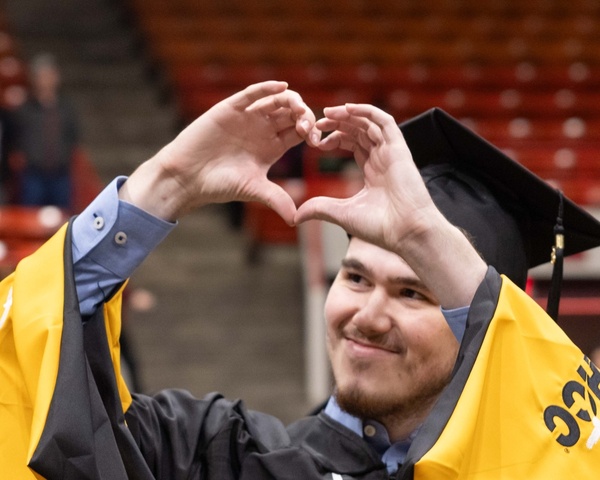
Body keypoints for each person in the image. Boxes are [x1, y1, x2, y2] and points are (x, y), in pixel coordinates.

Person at [1, 81, 600, 479]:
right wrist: (165, 186)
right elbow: (43, 397)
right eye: (356, 277)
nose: (367, 314)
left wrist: (429, 237)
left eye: (415, 290)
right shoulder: (216, 457)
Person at [9, 53, 80, 209]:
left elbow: (73, 136)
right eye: (42, 75)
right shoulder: (25, 109)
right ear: (34, 79)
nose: (46, 80)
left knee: (63, 219)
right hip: (33, 175)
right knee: (30, 217)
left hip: (61, 174)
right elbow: (15, 137)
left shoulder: (66, 108)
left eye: (50, 75)